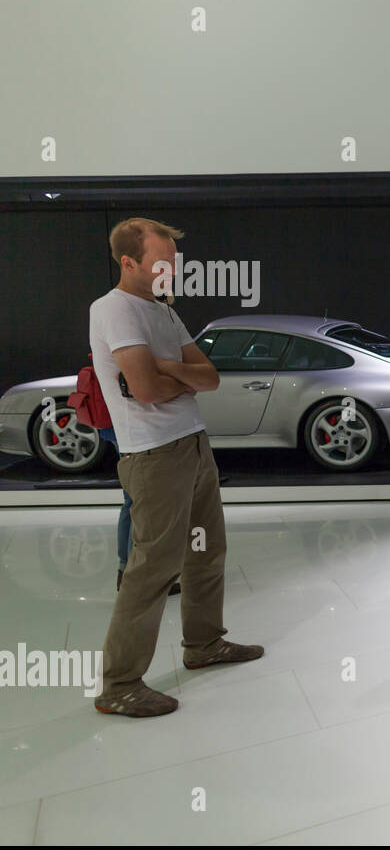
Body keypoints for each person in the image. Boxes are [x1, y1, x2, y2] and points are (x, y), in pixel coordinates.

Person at [89, 217, 263, 717]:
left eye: (175, 260)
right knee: (153, 568)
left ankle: (204, 645)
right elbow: (145, 389)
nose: (172, 269)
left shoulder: (164, 312)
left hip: (191, 443)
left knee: (206, 552)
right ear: (129, 262)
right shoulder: (114, 309)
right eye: (162, 262)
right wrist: (171, 376)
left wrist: (170, 371)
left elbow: (210, 379)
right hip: (153, 453)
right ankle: (119, 683)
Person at [98, 423, 179, 596]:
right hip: (134, 432)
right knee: (143, 501)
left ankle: (126, 572)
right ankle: (138, 578)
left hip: (115, 429)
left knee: (132, 500)